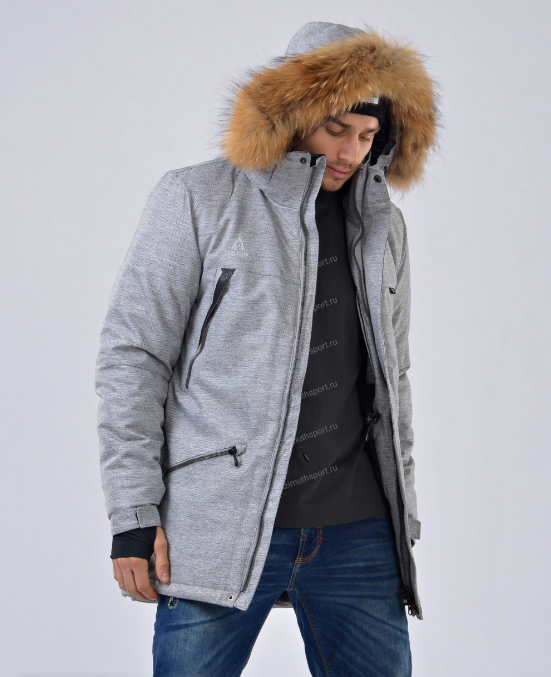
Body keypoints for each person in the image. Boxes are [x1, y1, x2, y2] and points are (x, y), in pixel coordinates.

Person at [95, 20, 440, 677]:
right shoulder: (197, 197)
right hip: (217, 522)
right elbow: (134, 357)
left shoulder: (382, 226)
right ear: (294, 112)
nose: (350, 152)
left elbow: (392, 376)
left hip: (358, 530)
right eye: (336, 129)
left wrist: (405, 515)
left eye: (367, 136)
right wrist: (133, 515)